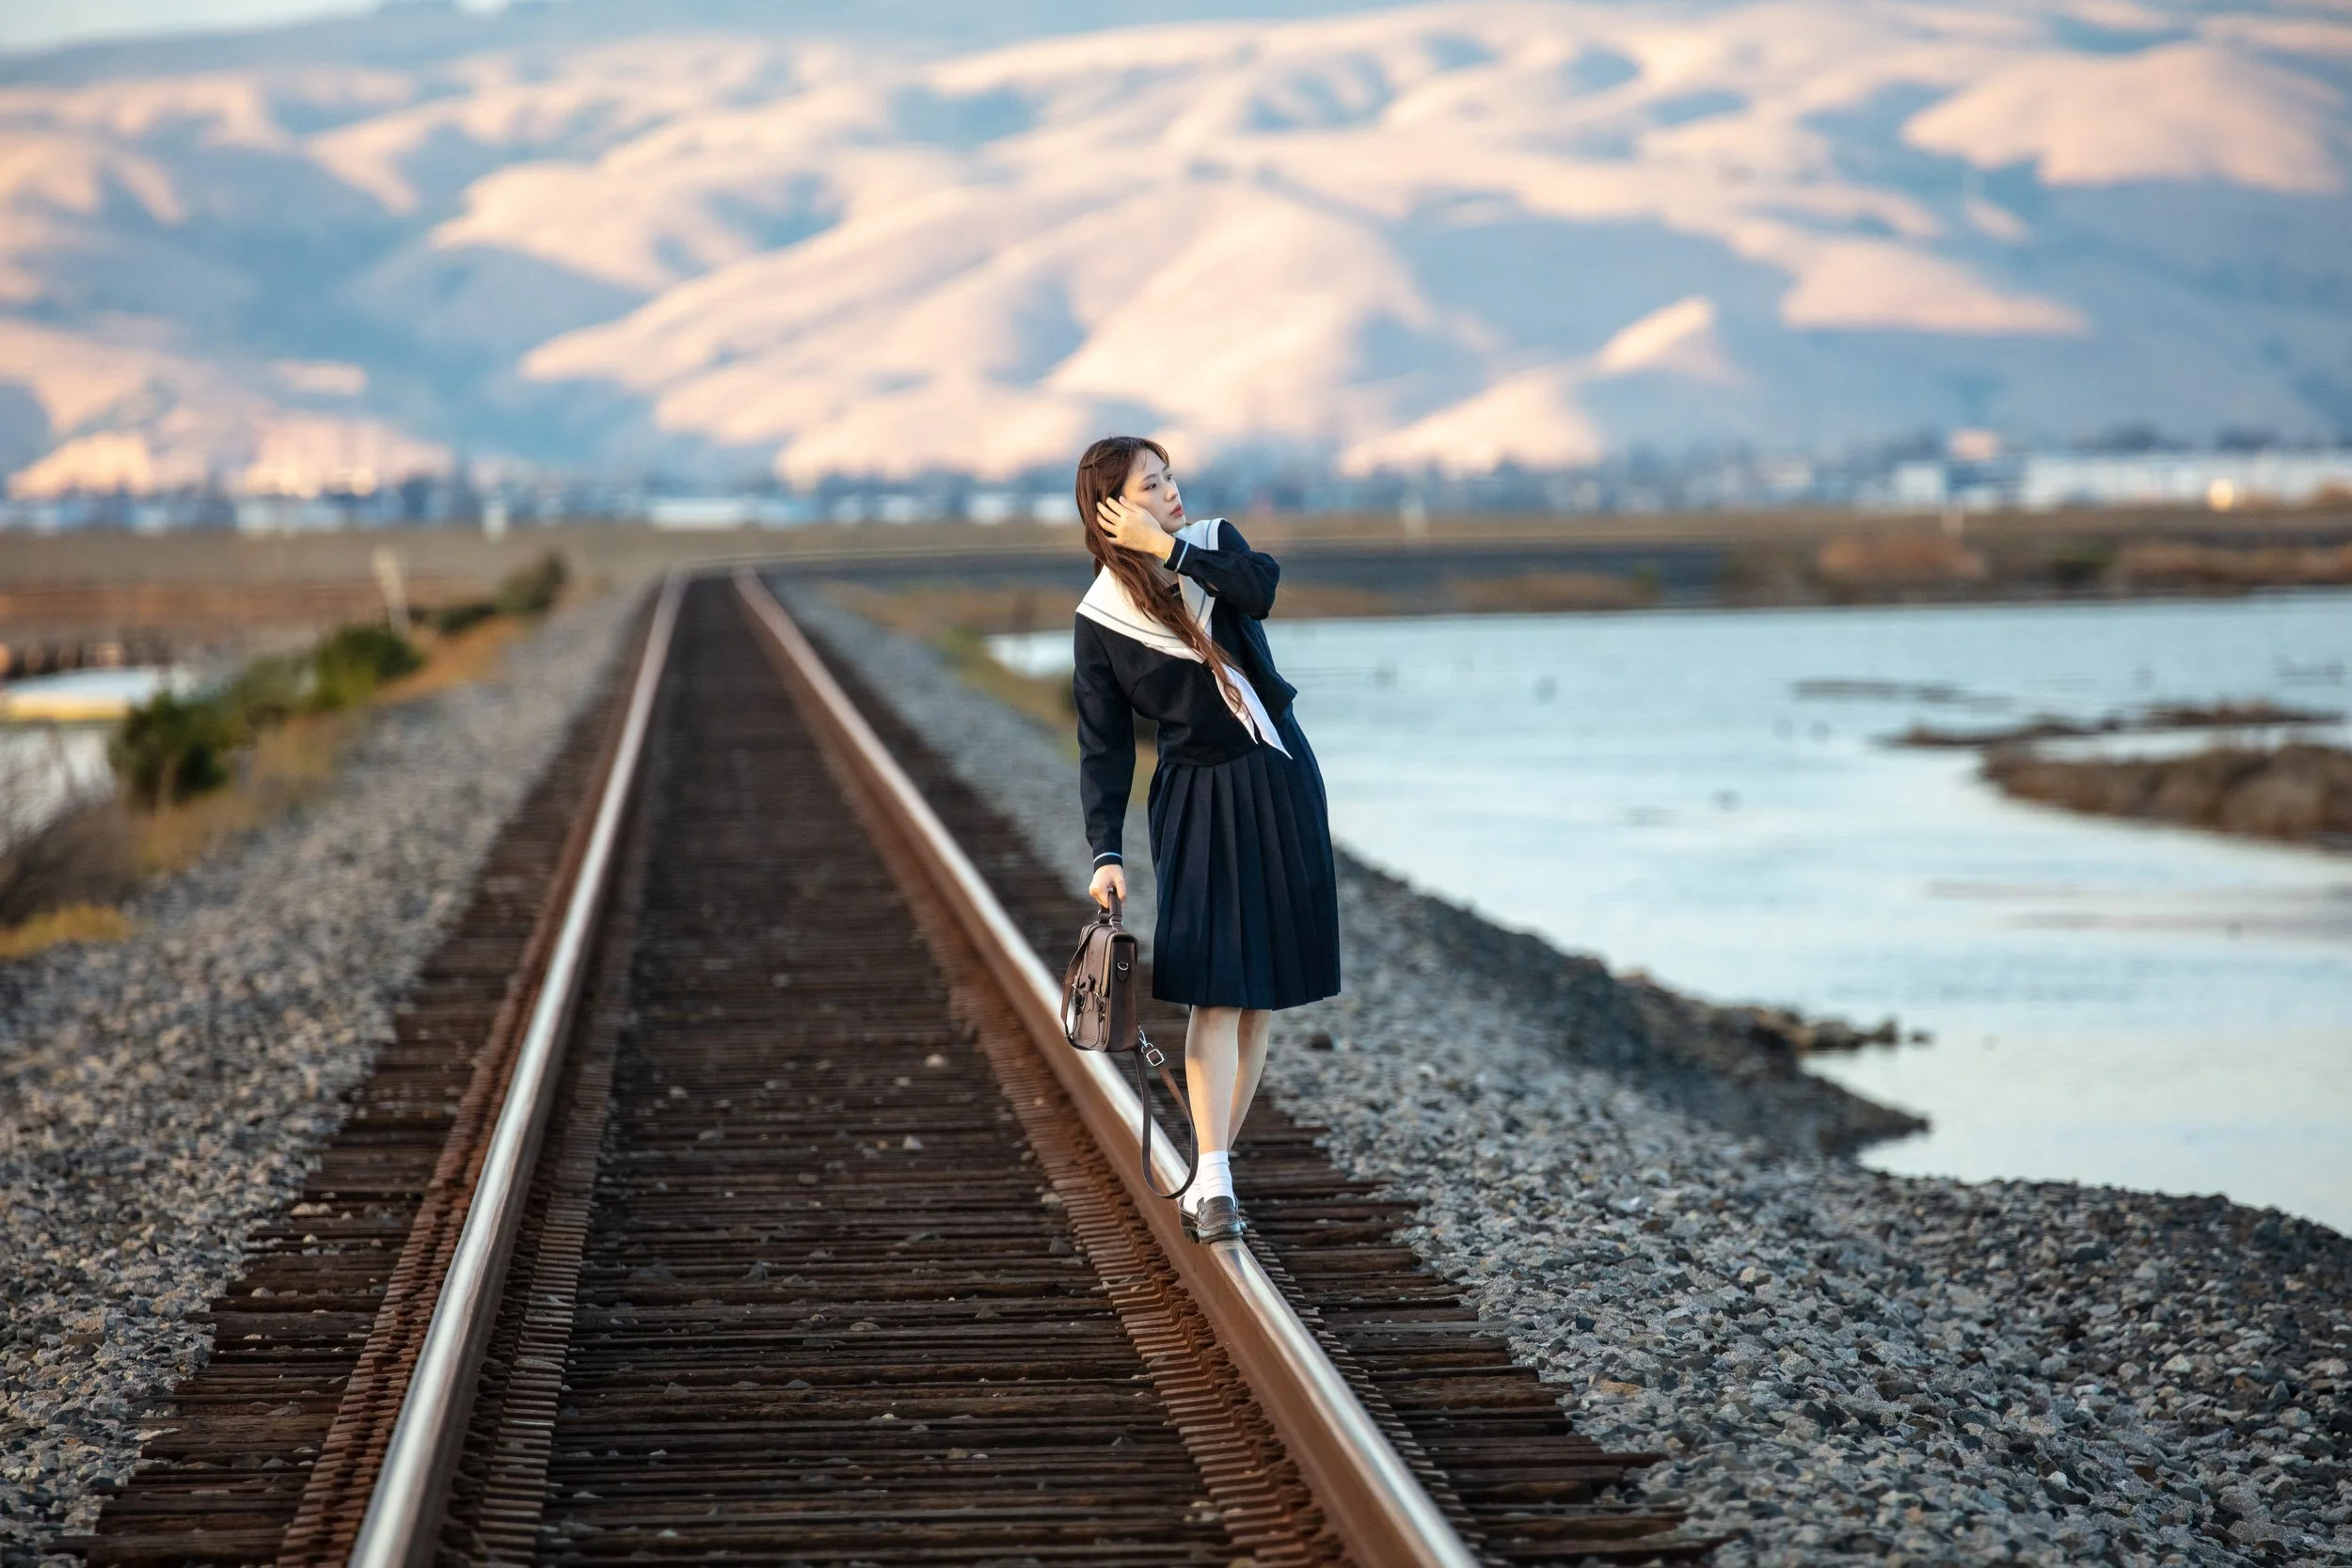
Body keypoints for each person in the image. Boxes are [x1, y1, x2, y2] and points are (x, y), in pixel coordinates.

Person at [1071, 436, 1342, 1243]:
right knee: (1217, 986)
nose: (1172, 490)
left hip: (1279, 779)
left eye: (1169, 477)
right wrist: (1105, 851)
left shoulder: (1214, 548)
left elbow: (1260, 591)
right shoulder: (1101, 621)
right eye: (1151, 486)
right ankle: (1215, 1176)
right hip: (1196, 799)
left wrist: (1173, 547)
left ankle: (1212, 1164)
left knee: (1259, 995)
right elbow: (1104, 745)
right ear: (1112, 508)